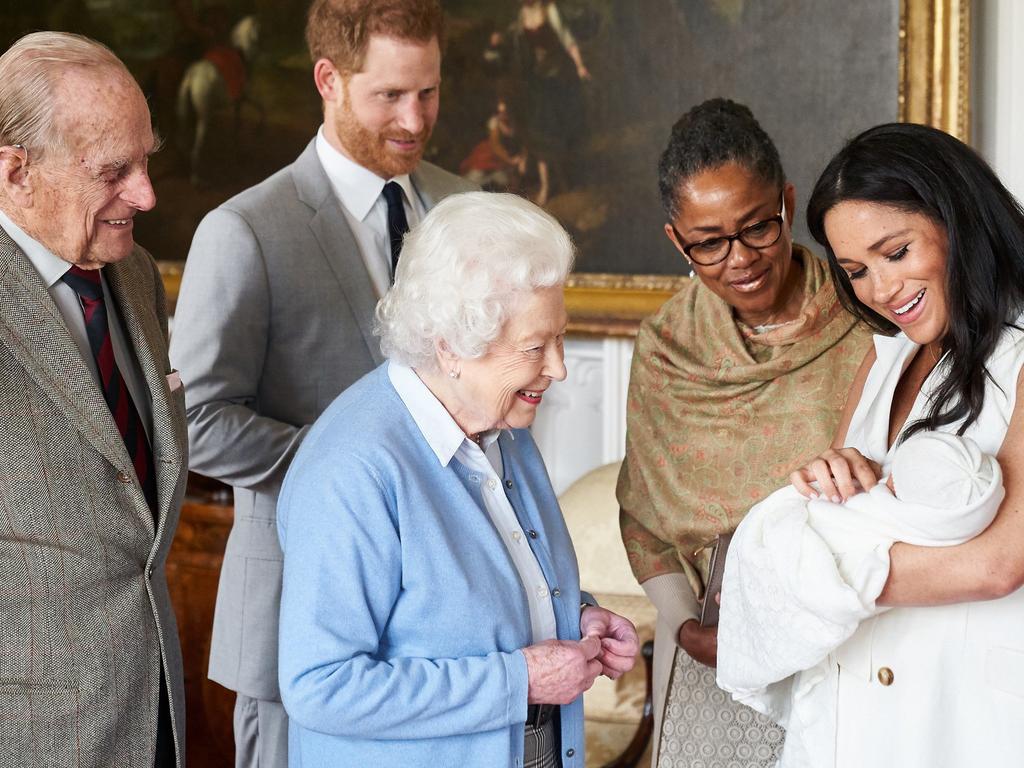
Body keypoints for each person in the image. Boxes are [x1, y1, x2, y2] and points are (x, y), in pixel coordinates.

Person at [168, 1, 474, 765]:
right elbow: (196, 419)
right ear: (328, 80)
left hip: (447, 624)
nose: (415, 119)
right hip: (297, 615)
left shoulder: (465, 207)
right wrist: (355, 466)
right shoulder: (244, 232)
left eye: (429, 93)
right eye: (390, 96)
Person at [276, 191, 639, 768]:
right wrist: (517, 681)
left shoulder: (504, 426)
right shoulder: (353, 469)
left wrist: (577, 616)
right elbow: (322, 686)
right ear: (450, 346)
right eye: (534, 346)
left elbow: (473, 605)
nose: (560, 367)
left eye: (560, 337)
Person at [615, 98, 873, 767]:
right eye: (709, 242)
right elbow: (644, 516)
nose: (741, 259)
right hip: (714, 643)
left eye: (758, 227)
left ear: (787, 203)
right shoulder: (667, 349)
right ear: (678, 240)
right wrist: (687, 627)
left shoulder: (869, 321)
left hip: (853, 625)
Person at [784, 121, 1024, 767]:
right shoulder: (885, 358)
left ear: (957, 218)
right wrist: (830, 476)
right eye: (856, 270)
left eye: (896, 252)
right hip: (853, 703)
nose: (881, 291)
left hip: (965, 713)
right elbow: (829, 515)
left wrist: (806, 570)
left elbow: (998, 564)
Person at [0, 32, 187, 768]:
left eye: (146, 161)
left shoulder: (136, 276)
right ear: (16, 172)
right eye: (114, 171)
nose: (145, 194)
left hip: (156, 710)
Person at [717, 432, 1003, 767]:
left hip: (927, 689)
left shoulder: (889, 518)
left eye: (893, 479)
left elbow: (996, 568)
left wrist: (772, 583)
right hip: (842, 686)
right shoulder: (874, 379)